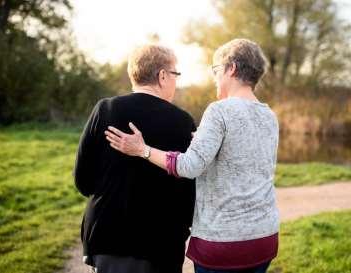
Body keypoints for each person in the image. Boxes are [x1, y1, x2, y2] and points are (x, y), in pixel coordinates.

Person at [105, 38, 280, 273]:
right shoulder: (269, 116)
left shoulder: (219, 110)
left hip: (223, 242)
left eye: (216, 70)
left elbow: (189, 167)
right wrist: (207, 142)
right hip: (264, 238)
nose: (215, 77)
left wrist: (142, 150)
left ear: (232, 69)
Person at [74, 44, 196, 273]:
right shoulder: (182, 122)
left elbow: (83, 181)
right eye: (176, 75)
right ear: (162, 76)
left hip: (108, 236)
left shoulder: (105, 110)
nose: (176, 82)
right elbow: (190, 190)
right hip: (161, 242)